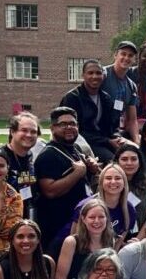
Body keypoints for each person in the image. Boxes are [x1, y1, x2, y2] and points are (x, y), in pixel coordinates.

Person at [34, 108, 101, 254]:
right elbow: (49, 191)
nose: (69, 127)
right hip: (58, 226)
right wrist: (77, 174)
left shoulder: (75, 148)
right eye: (63, 124)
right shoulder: (48, 155)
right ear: (52, 128)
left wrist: (91, 169)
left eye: (73, 124)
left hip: (78, 222)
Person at [61, 60, 125, 164]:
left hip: (104, 142)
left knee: (131, 154)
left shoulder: (106, 98)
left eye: (98, 73)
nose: (95, 76)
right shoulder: (72, 98)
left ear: (103, 76)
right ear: (83, 75)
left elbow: (113, 126)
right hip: (81, 144)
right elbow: (74, 131)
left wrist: (118, 138)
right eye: (90, 73)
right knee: (114, 162)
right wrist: (107, 141)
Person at [55, 198, 117, 279]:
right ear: (83, 219)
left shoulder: (110, 241)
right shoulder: (71, 242)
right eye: (92, 217)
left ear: (107, 219)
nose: (97, 221)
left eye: (101, 217)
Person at [1, 112, 42, 207]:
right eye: (24, 130)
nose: (29, 135)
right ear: (12, 132)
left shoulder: (29, 156)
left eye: (33, 132)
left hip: (27, 211)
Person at [103, 42, 141, 142]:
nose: (126, 58)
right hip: (96, 131)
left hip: (114, 132)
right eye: (123, 54)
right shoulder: (103, 75)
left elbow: (132, 120)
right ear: (115, 55)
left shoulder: (131, 86)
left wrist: (137, 142)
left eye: (130, 55)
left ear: (134, 60)